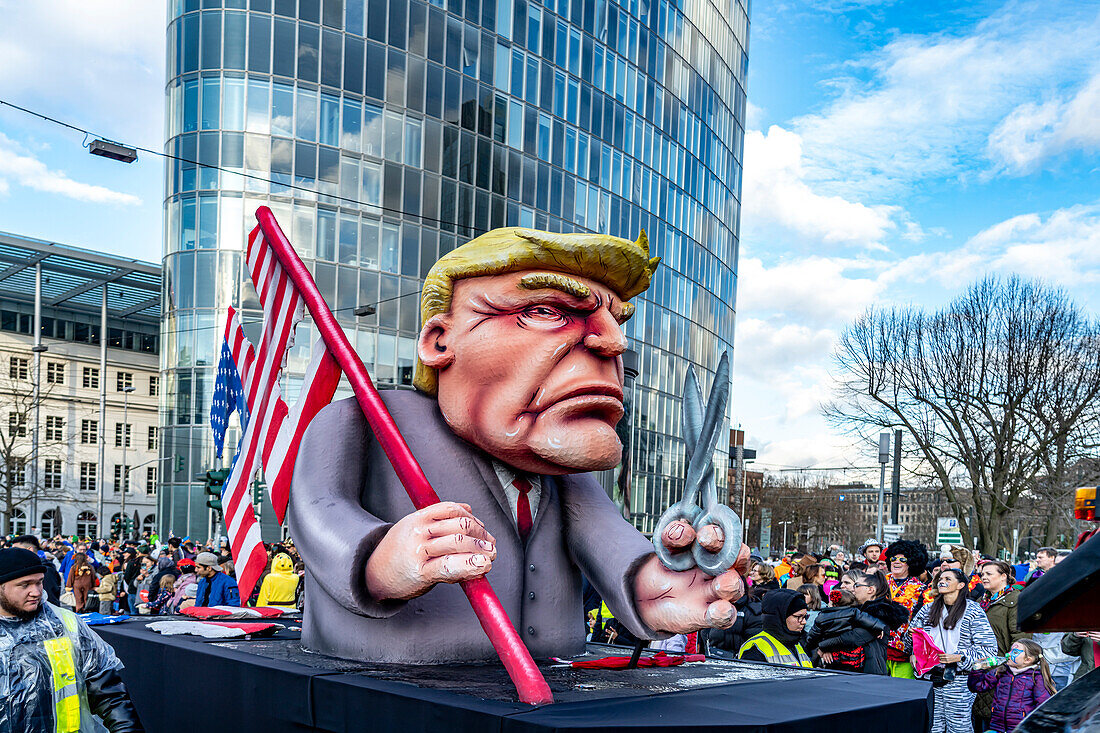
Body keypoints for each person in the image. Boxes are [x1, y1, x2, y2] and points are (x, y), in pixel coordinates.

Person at [288, 228, 751, 663]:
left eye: (615, 319)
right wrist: (379, 560)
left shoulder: (564, 474)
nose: (613, 342)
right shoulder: (363, 421)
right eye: (546, 310)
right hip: (387, 691)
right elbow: (317, 511)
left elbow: (607, 539)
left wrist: (659, 586)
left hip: (551, 688)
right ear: (439, 340)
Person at [0, 547, 144, 732]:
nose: (36, 592)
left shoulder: (66, 625)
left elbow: (108, 693)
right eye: (25, 584)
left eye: (39, 582)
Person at [908, 568, 997, 733]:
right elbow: (909, 641)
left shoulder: (973, 611)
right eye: (940, 578)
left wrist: (960, 658)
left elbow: (989, 652)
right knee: (932, 727)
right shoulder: (927, 609)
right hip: (929, 680)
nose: (942, 581)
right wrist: (914, 650)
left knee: (959, 729)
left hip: (959, 681)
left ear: (961, 585)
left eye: (948, 579)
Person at [974, 559, 1031, 729]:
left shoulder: (1015, 600)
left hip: (1002, 668)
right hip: (980, 666)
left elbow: (1020, 637)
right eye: (982, 574)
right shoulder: (981, 601)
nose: (983, 577)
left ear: (1004, 576)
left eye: (989, 574)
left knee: (995, 718)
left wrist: (1008, 665)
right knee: (979, 716)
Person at [967, 639, 1054, 732]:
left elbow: (1043, 705)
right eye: (1010, 650)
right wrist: (977, 670)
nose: (1008, 654)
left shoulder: (1036, 677)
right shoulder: (1001, 671)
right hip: (997, 726)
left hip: (1020, 729)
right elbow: (977, 686)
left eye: (1015, 652)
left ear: (1028, 660)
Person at [839, 569, 908, 675]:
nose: (853, 589)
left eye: (856, 585)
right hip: (853, 668)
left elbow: (853, 637)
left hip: (869, 672)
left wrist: (824, 646)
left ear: (870, 590)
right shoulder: (858, 611)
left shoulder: (879, 614)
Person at [806, 588, 888, 672]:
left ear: (833, 604)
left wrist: (817, 646)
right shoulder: (853, 612)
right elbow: (867, 619)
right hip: (853, 655)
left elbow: (813, 635)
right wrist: (879, 627)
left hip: (833, 655)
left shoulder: (821, 617)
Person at [884, 539, 929, 678]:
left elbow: (923, 621)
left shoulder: (920, 588)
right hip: (879, 646)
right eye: (893, 558)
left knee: (900, 691)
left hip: (904, 649)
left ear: (911, 562)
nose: (896, 562)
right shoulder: (879, 581)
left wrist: (915, 651)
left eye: (902, 559)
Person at [737, 589, 812, 667]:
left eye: (805, 616)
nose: (804, 622)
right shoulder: (755, 649)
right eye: (798, 617)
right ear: (780, 617)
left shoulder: (797, 642)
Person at [11, 535, 62, 606]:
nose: (12, 554)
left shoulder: (45, 570)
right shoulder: (26, 568)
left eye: (16, 550)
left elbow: (51, 600)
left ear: (29, 550)